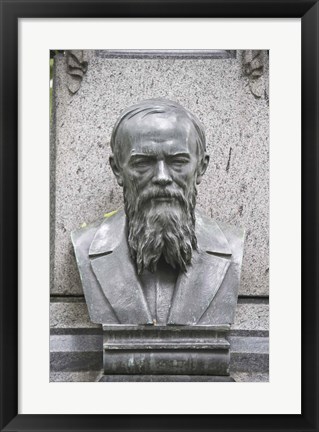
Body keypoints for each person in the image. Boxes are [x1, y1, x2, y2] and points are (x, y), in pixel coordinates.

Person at [72, 99, 245, 326]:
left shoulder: (231, 244)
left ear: (201, 167)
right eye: (143, 163)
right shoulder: (86, 245)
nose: (162, 176)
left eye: (178, 161)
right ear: (117, 170)